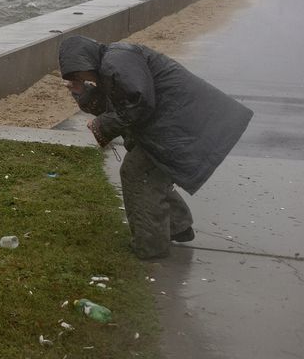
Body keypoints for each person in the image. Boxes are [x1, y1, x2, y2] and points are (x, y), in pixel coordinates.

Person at [58, 35, 253, 260]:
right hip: (178, 121)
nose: (79, 78)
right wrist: (82, 92)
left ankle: (151, 246)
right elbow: (116, 105)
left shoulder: (116, 60)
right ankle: (177, 227)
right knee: (152, 174)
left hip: (180, 123)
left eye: (77, 74)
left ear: (84, 61)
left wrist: (102, 124)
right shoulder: (110, 64)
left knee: (137, 173)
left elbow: (138, 103)